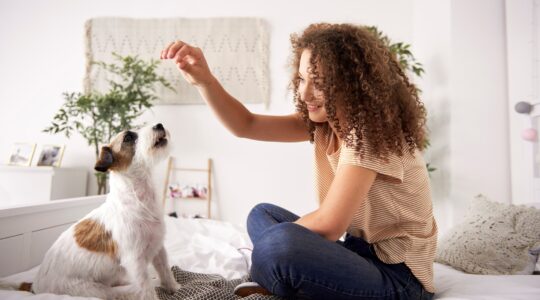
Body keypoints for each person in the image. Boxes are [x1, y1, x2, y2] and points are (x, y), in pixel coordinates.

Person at [161, 23, 437, 300]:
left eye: (319, 83)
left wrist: (278, 242)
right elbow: (247, 124)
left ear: (352, 85)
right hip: (357, 252)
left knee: (279, 242)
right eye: (303, 79)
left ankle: (277, 277)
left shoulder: (369, 134)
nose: (305, 95)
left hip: (400, 279)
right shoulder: (326, 123)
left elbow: (330, 225)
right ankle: (281, 274)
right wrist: (204, 80)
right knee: (262, 215)